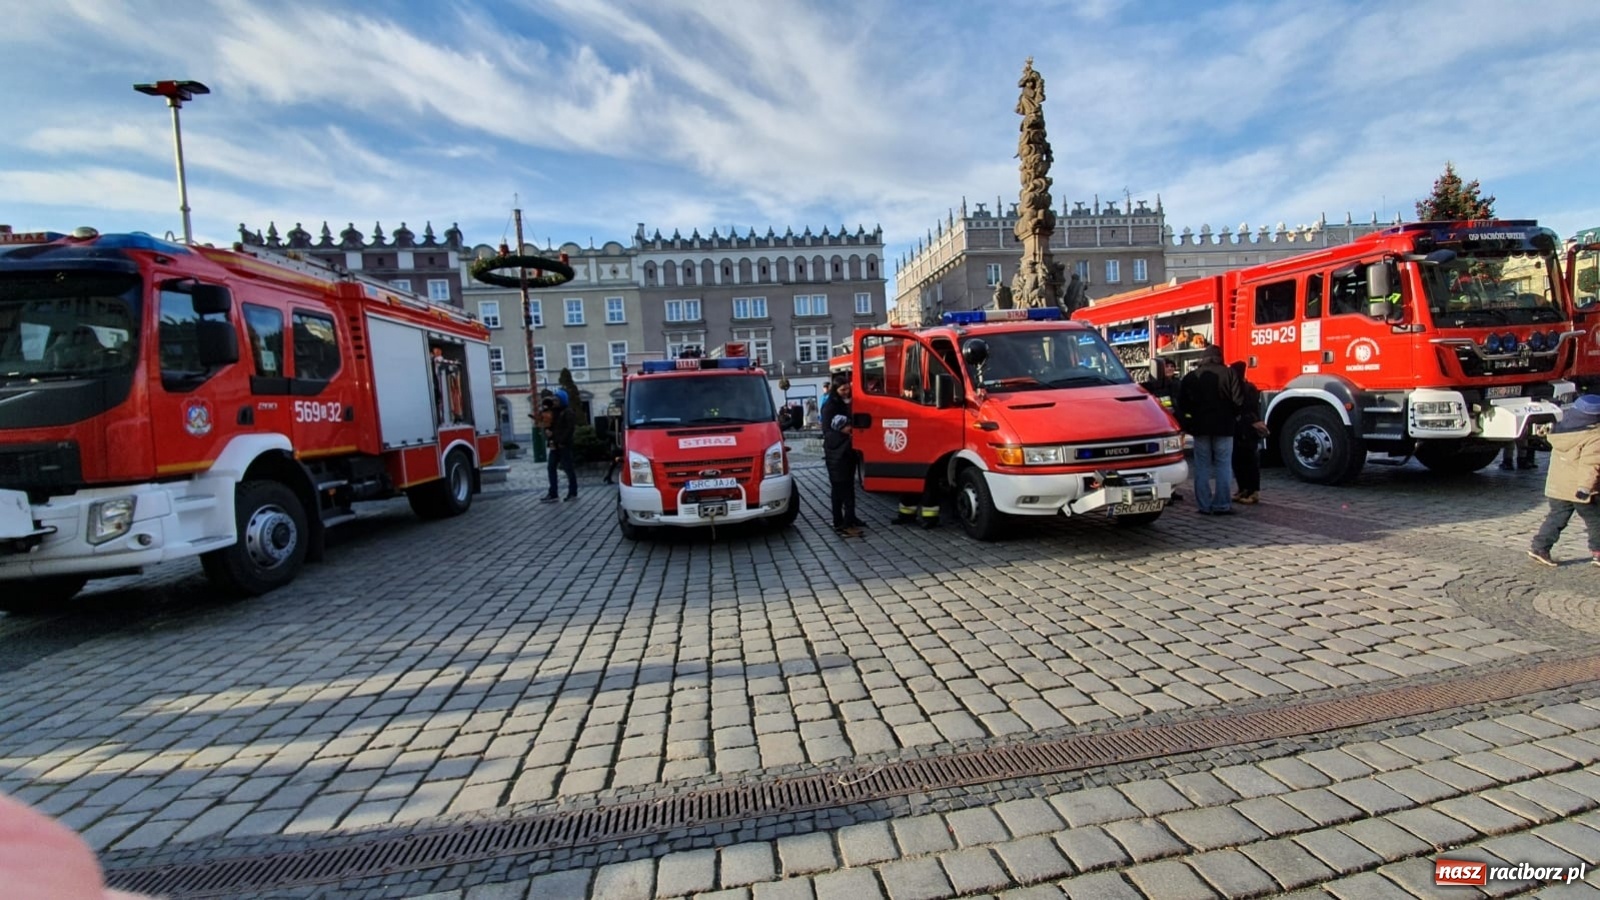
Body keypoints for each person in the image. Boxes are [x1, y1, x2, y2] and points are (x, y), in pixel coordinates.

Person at [1527, 394, 1600, 567]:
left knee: (1556, 518)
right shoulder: (1595, 436)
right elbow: (1590, 465)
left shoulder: (1563, 430)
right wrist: (1585, 487)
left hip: (1558, 486)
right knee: (1596, 520)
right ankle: (1598, 551)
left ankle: (1539, 548)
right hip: (1581, 490)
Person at [1176, 346, 1244, 515]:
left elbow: (1182, 403)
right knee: (1223, 465)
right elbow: (1238, 400)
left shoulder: (1192, 376)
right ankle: (1222, 504)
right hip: (1225, 426)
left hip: (1200, 428)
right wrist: (1232, 415)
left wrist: (1191, 421)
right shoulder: (1229, 373)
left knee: (1202, 466)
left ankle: (1204, 505)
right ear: (1220, 357)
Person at [820, 378, 863, 535]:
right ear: (835, 390)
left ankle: (848, 518)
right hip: (838, 453)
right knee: (840, 490)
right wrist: (844, 435)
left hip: (845, 453)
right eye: (842, 390)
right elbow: (827, 431)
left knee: (847, 487)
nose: (847, 392)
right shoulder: (830, 406)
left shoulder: (845, 403)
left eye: (847, 389)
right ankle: (842, 521)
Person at [1230, 361, 1270, 504]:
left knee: (1246, 461)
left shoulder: (1242, 388)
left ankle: (1251, 491)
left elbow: (1246, 408)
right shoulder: (1249, 387)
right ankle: (1245, 489)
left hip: (1244, 428)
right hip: (1246, 428)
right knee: (1243, 460)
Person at [542, 389, 578, 502]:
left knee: (568, 469)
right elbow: (548, 426)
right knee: (551, 468)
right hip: (554, 445)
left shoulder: (568, 412)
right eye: (553, 400)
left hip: (563, 445)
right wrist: (547, 432)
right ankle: (553, 493)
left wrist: (561, 441)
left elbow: (569, 429)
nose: (554, 402)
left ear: (562, 400)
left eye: (556, 400)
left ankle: (572, 492)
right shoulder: (552, 412)